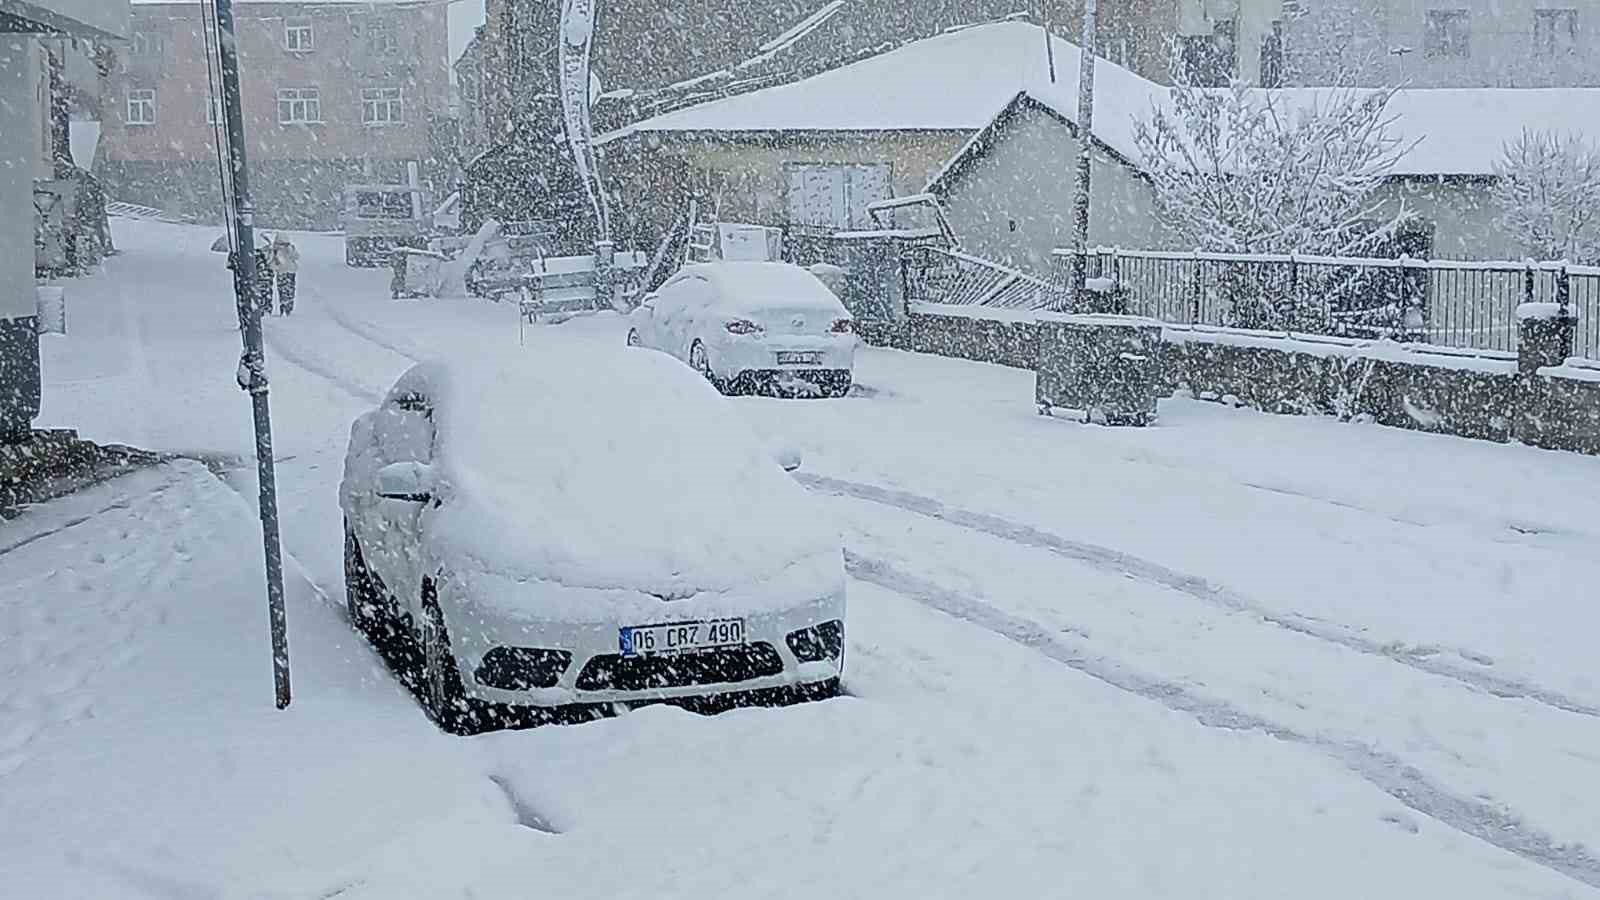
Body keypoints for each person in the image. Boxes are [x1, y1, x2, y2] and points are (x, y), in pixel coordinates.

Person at [270, 233, 300, 316]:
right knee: (282, 291)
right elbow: (272, 263)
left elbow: (296, 256)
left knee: (290, 290)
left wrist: (290, 249)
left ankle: (289, 307)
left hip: (290, 272)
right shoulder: (275, 251)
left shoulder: (290, 249)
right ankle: (283, 307)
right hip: (281, 273)